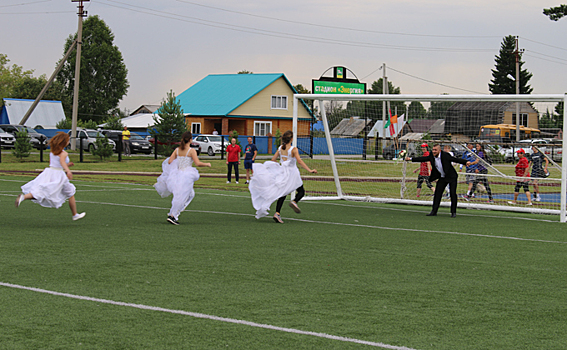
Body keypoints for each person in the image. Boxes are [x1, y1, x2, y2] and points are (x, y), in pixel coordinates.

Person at [249, 130, 317, 223]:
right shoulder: (293, 149)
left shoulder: (280, 148)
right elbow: (300, 161)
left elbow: (273, 159)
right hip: (292, 173)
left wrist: (277, 167)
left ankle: (277, 213)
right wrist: (310, 170)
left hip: (283, 173)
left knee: (283, 194)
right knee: (301, 191)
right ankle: (294, 202)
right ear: (291, 139)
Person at [15, 132, 86, 221]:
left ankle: (23, 197)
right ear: (64, 142)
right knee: (71, 193)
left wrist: (68, 165)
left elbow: (55, 163)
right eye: (67, 140)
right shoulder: (63, 153)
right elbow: (61, 162)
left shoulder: (52, 152)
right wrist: (68, 171)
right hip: (58, 175)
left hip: (49, 172)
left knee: (43, 191)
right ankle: (75, 214)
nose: (68, 142)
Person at [154, 131, 211, 225]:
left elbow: (170, 161)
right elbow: (197, 163)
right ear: (190, 140)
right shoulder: (191, 151)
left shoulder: (177, 150)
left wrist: (178, 164)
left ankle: (174, 213)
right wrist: (207, 164)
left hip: (178, 174)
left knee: (189, 194)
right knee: (182, 196)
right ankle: (173, 215)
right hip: (186, 175)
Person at [406, 143, 470, 218]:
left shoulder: (445, 155)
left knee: (453, 194)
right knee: (437, 194)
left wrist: (465, 162)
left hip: (451, 177)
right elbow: (423, 159)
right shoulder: (431, 156)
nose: (433, 151)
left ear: (439, 150)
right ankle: (434, 211)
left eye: (435, 150)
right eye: (433, 150)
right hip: (442, 177)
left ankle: (453, 212)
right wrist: (410, 159)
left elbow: (455, 159)